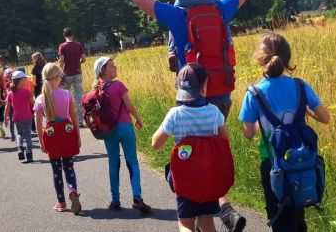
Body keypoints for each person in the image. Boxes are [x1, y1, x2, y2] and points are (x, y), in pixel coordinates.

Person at [129, 0, 255, 232]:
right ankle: (220, 208)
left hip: (189, 99)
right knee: (210, 157)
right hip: (219, 96)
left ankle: (195, 218)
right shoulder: (220, 9)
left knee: (191, 163)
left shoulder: (177, 16)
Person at [239, 32, 331, 232]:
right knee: (298, 216)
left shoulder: (254, 93)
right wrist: (306, 111)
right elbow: (325, 118)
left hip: (273, 164)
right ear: (287, 57)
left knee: (280, 218)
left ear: (260, 59)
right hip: (302, 161)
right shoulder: (300, 86)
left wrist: (261, 122)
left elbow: (248, 133)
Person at [151, 63, 229, 232]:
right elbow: (225, 141)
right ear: (204, 87)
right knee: (207, 223)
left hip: (185, 179)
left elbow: (155, 144)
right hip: (209, 178)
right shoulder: (214, 112)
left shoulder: (176, 114)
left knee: (185, 223)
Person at [91, 56, 152, 214]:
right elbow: (129, 106)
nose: (115, 67)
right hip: (125, 128)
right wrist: (138, 119)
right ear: (103, 71)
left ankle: (115, 200)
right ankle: (137, 197)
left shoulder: (97, 89)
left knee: (113, 163)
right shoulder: (118, 85)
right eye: (111, 66)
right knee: (132, 162)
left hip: (109, 131)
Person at [35, 63, 83, 215]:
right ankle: (72, 190)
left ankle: (61, 202)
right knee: (69, 166)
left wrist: (41, 142)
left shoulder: (40, 98)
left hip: (51, 136)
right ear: (58, 77)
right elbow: (74, 116)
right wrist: (77, 135)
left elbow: (38, 124)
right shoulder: (67, 94)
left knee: (56, 170)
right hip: (67, 134)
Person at [5, 71, 36, 163]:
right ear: (21, 80)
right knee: (28, 136)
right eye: (25, 78)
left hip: (17, 117)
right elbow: (34, 104)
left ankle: (20, 148)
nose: (26, 80)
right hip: (27, 117)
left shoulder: (10, 93)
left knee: (20, 134)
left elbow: (7, 107)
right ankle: (29, 155)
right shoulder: (27, 92)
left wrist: (5, 118)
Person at [58, 28, 87, 127]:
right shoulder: (78, 45)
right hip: (78, 73)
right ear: (72, 35)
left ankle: (67, 119)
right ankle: (80, 121)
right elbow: (84, 59)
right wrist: (79, 62)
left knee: (65, 97)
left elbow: (61, 61)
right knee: (79, 96)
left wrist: (59, 72)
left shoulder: (62, 46)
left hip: (67, 74)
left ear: (64, 35)